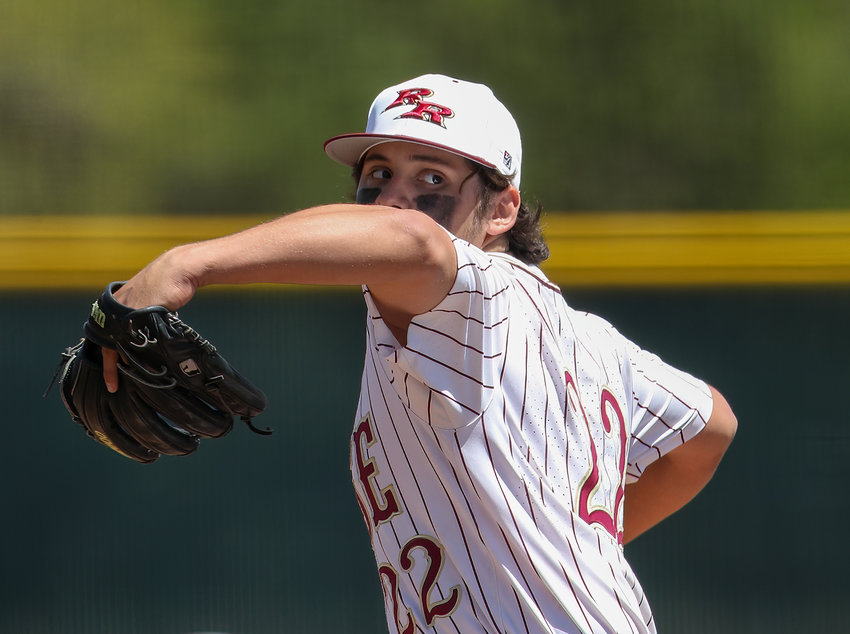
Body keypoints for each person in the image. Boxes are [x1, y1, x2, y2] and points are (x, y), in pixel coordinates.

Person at [102, 74, 737, 633]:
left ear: (501, 210)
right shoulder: (588, 338)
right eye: (378, 174)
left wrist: (186, 264)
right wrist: (567, 556)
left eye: (431, 176)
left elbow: (409, 240)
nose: (394, 199)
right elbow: (709, 428)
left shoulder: (475, 297)